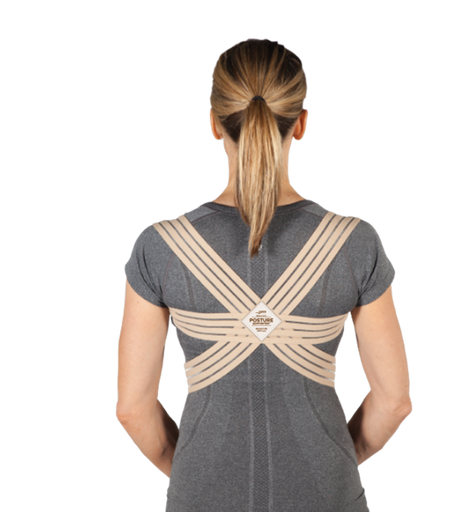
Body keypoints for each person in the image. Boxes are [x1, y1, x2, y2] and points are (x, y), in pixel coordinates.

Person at [117, 36, 413, 512]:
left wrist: (195, 472)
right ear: (302, 123)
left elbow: (132, 408)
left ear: (214, 123)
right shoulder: (353, 241)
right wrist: (336, 460)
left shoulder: (161, 246)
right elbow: (396, 399)